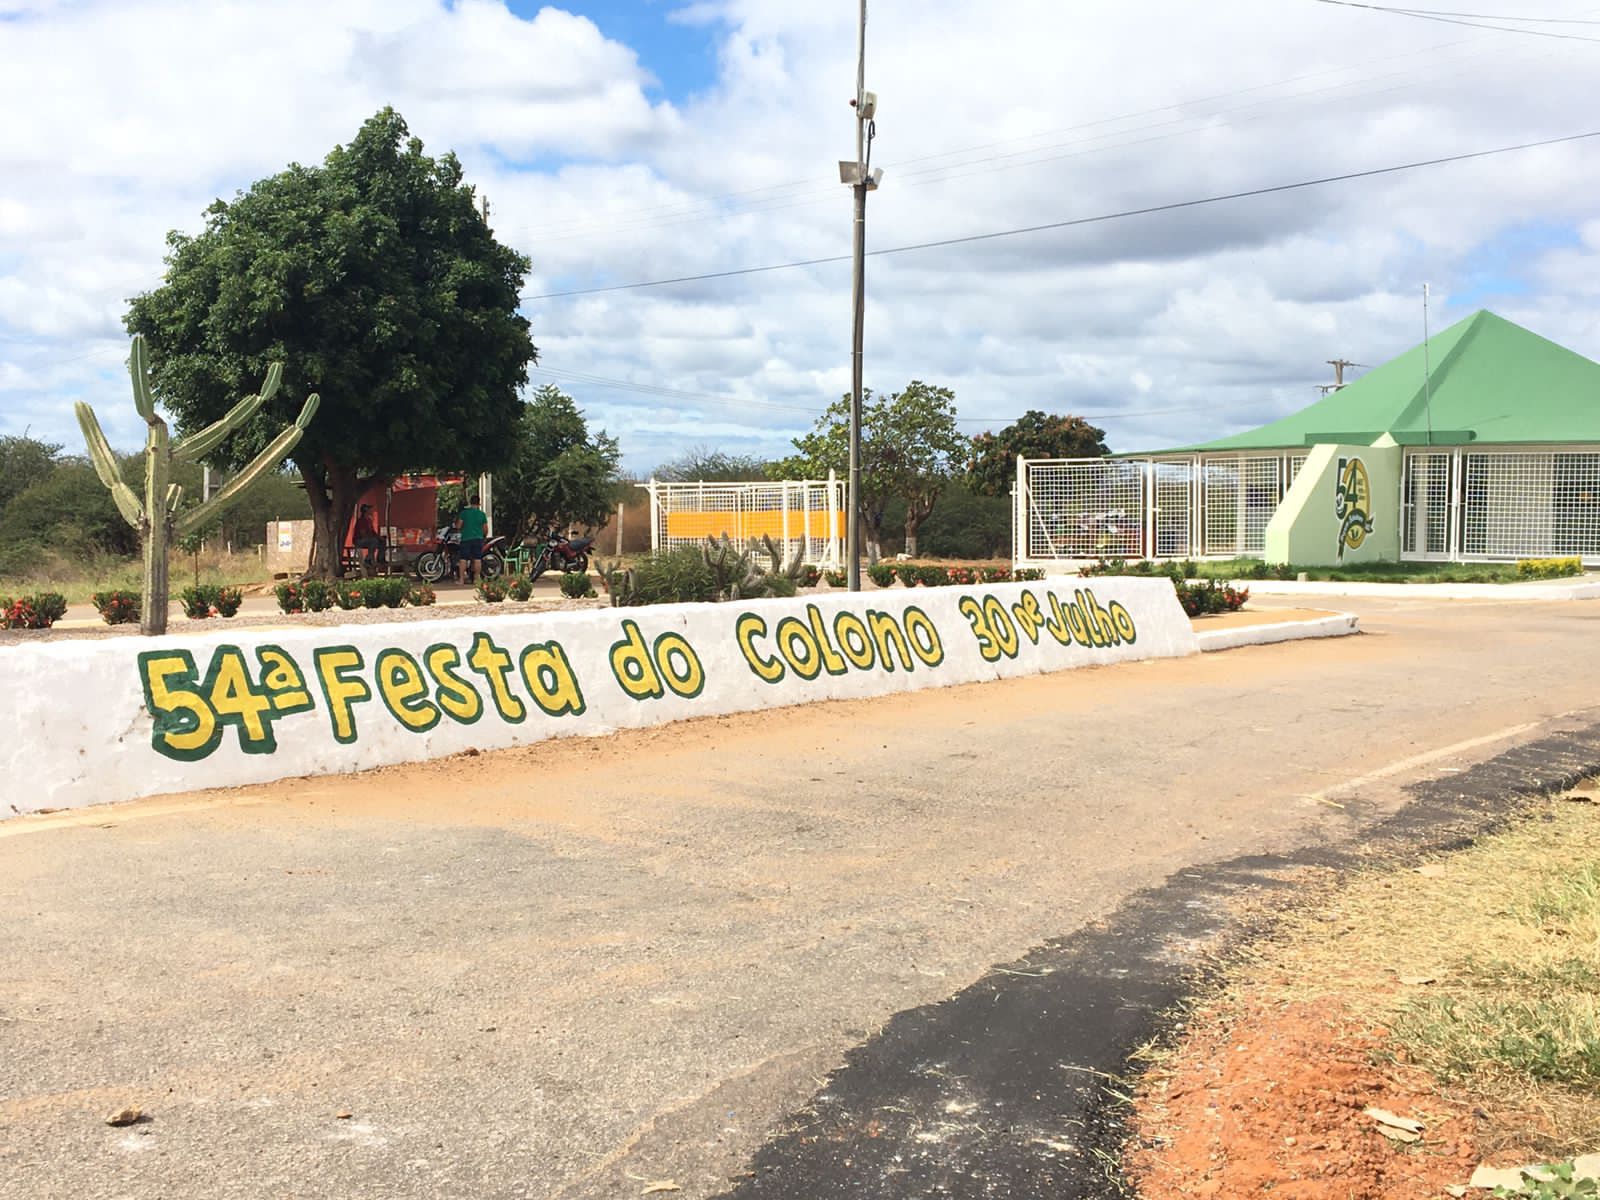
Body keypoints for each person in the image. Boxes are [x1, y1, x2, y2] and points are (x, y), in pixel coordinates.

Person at [455, 495, 488, 585]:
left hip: (466, 538)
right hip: (478, 538)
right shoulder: (482, 514)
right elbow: (485, 529)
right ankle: (477, 579)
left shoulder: (464, 513)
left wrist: (459, 527)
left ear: (470, 503)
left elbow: (458, 526)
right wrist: (484, 536)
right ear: (479, 503)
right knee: (477, 559)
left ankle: (461, 580)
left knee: (463, 559)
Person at [353, 504, 385, 577]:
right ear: (365, 511)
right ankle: (368, 559)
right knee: (373, 541)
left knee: (382, 542)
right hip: (359, 540)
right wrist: (374, 538)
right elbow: (363, 534)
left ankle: (380, 559)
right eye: (369, 509)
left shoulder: (369, 520)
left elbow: (373, 532)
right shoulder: (361, 521)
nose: (371, 511)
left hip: (368, 539)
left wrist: (380, 537)